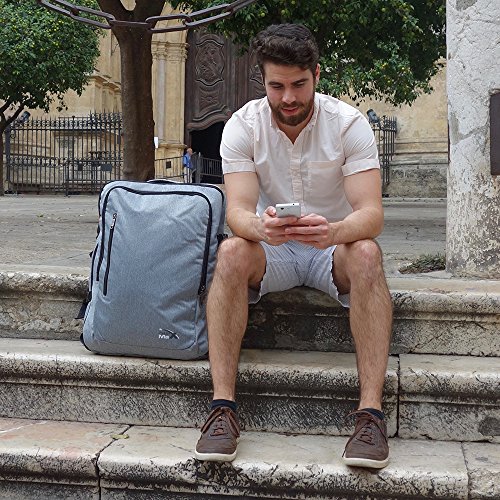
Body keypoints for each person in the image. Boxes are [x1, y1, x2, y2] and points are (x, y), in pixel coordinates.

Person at [194, 23, 392, 469]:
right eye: (276, 86)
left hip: (332, 247)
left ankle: (371, 416)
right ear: (262, 80)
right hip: (274, 248)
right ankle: (222, 409)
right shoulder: (242, 126)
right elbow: (236, 212)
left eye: (299, 85)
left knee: (367, 253)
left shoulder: (349, 124)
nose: (288, 98)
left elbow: (372, 215)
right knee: (230, 251)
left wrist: (334, 232)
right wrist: (260, 228)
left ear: (317, 75)